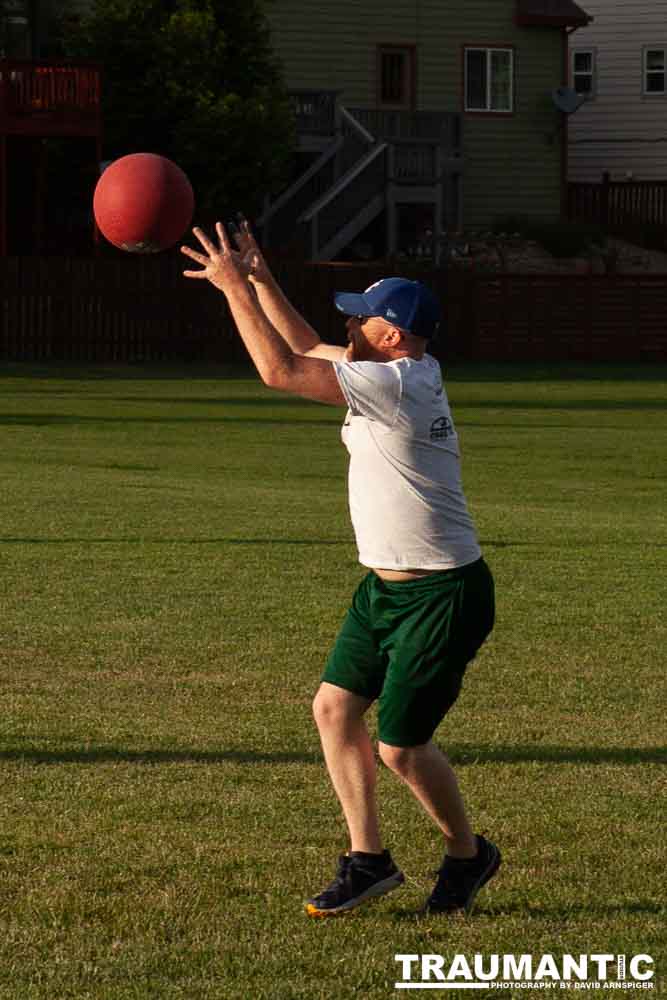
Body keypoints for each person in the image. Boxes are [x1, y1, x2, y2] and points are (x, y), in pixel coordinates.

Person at [181, 219, 500, 918]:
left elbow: (280, 370)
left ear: (392, 337)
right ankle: (368, 862)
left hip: (441, 593)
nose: (348, 323)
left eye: (361, 317)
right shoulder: (389, 370)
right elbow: (301, 346)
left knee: (401, 749)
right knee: (333, 708)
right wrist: (262, 281)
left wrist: (232, 289)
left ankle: (467, 854)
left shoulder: (397, 385)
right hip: (384, 586)